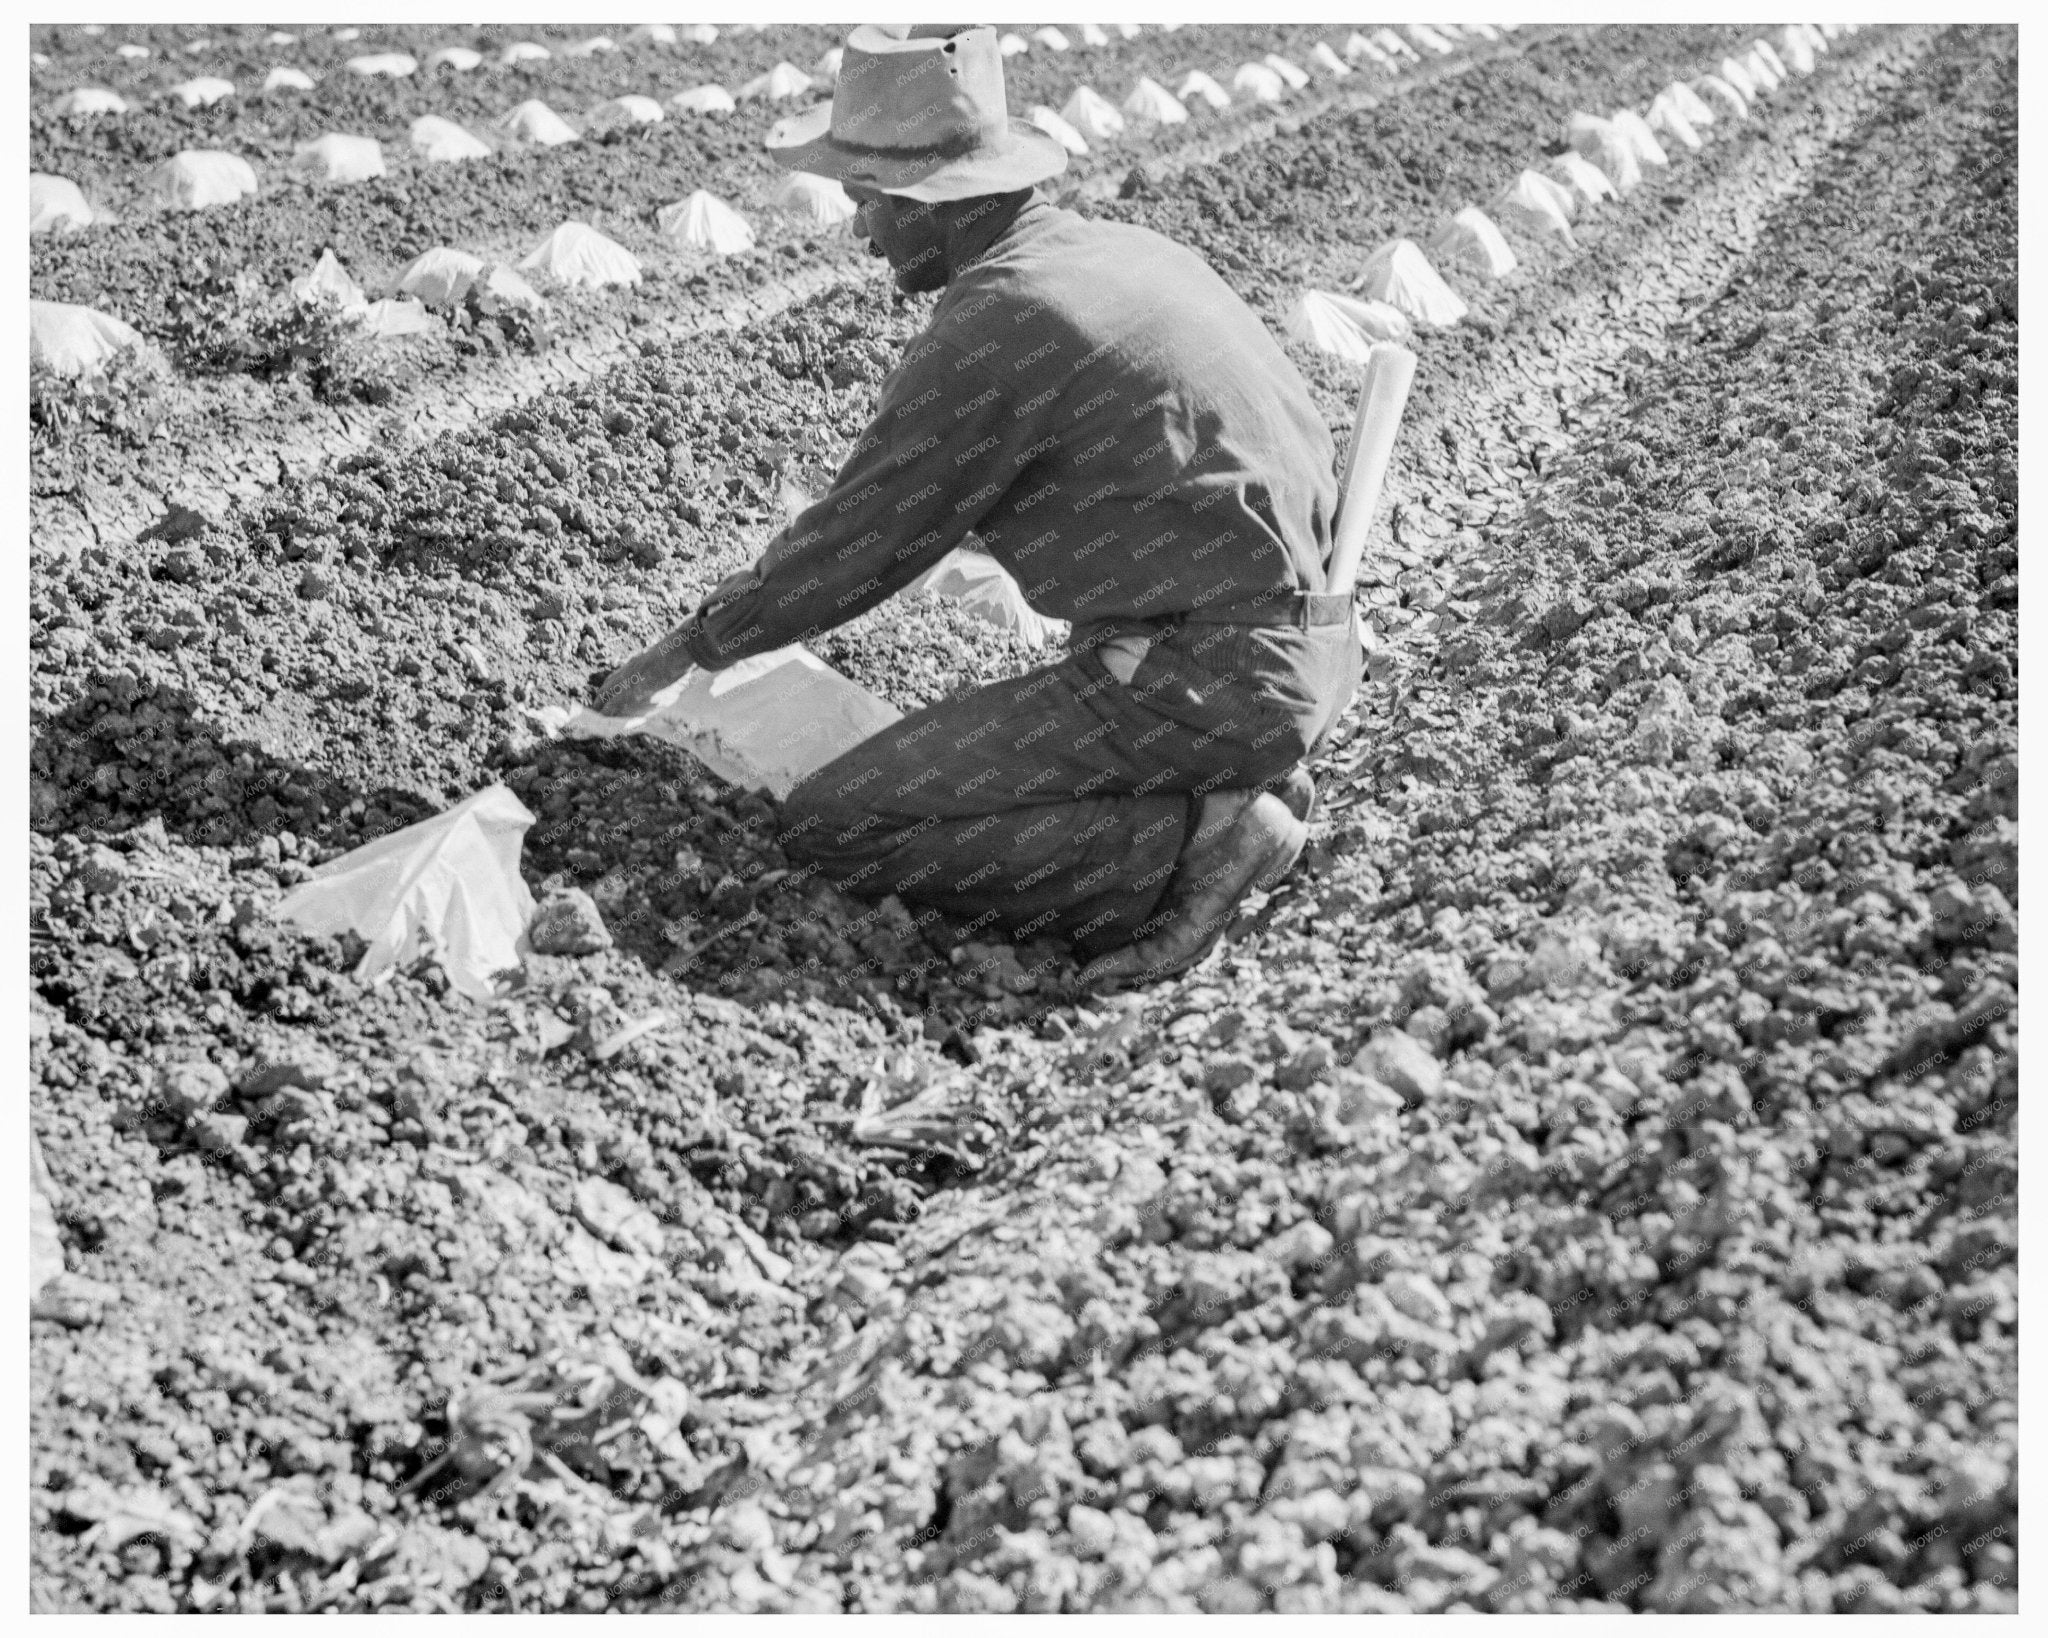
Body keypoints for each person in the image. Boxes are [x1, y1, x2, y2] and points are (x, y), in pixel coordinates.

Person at [595, 24, 1360, 990]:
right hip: (1297, 652)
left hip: (1201, 680)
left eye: (868, 201)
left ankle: (1197, 841)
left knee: (840, 824)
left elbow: (862, 540)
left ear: (935, 201)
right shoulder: (1119, 254)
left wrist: (688, 648)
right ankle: (1209, 777)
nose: (862, 233)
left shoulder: (1000, 322)